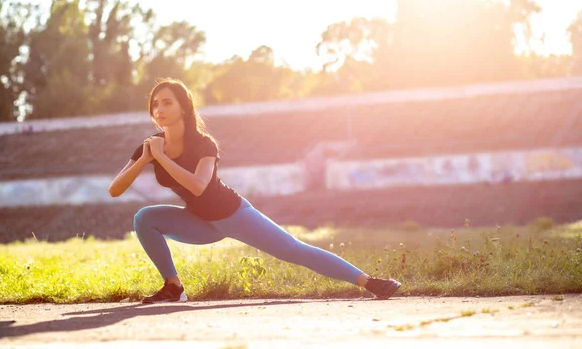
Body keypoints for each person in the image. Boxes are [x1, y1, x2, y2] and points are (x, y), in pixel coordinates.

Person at [108, 78, 401, 304]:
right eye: (155, 104)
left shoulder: (204, 144)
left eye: (167, 102)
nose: (159, 109)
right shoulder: (150, 147)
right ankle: (174, 287)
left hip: (234, 214)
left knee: (295, 251)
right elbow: (115, 189)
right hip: (199, 221)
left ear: (184, 107)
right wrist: (146, 158)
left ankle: (370, 282)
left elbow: (198, 185)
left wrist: (160, 158)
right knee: (144, 217)